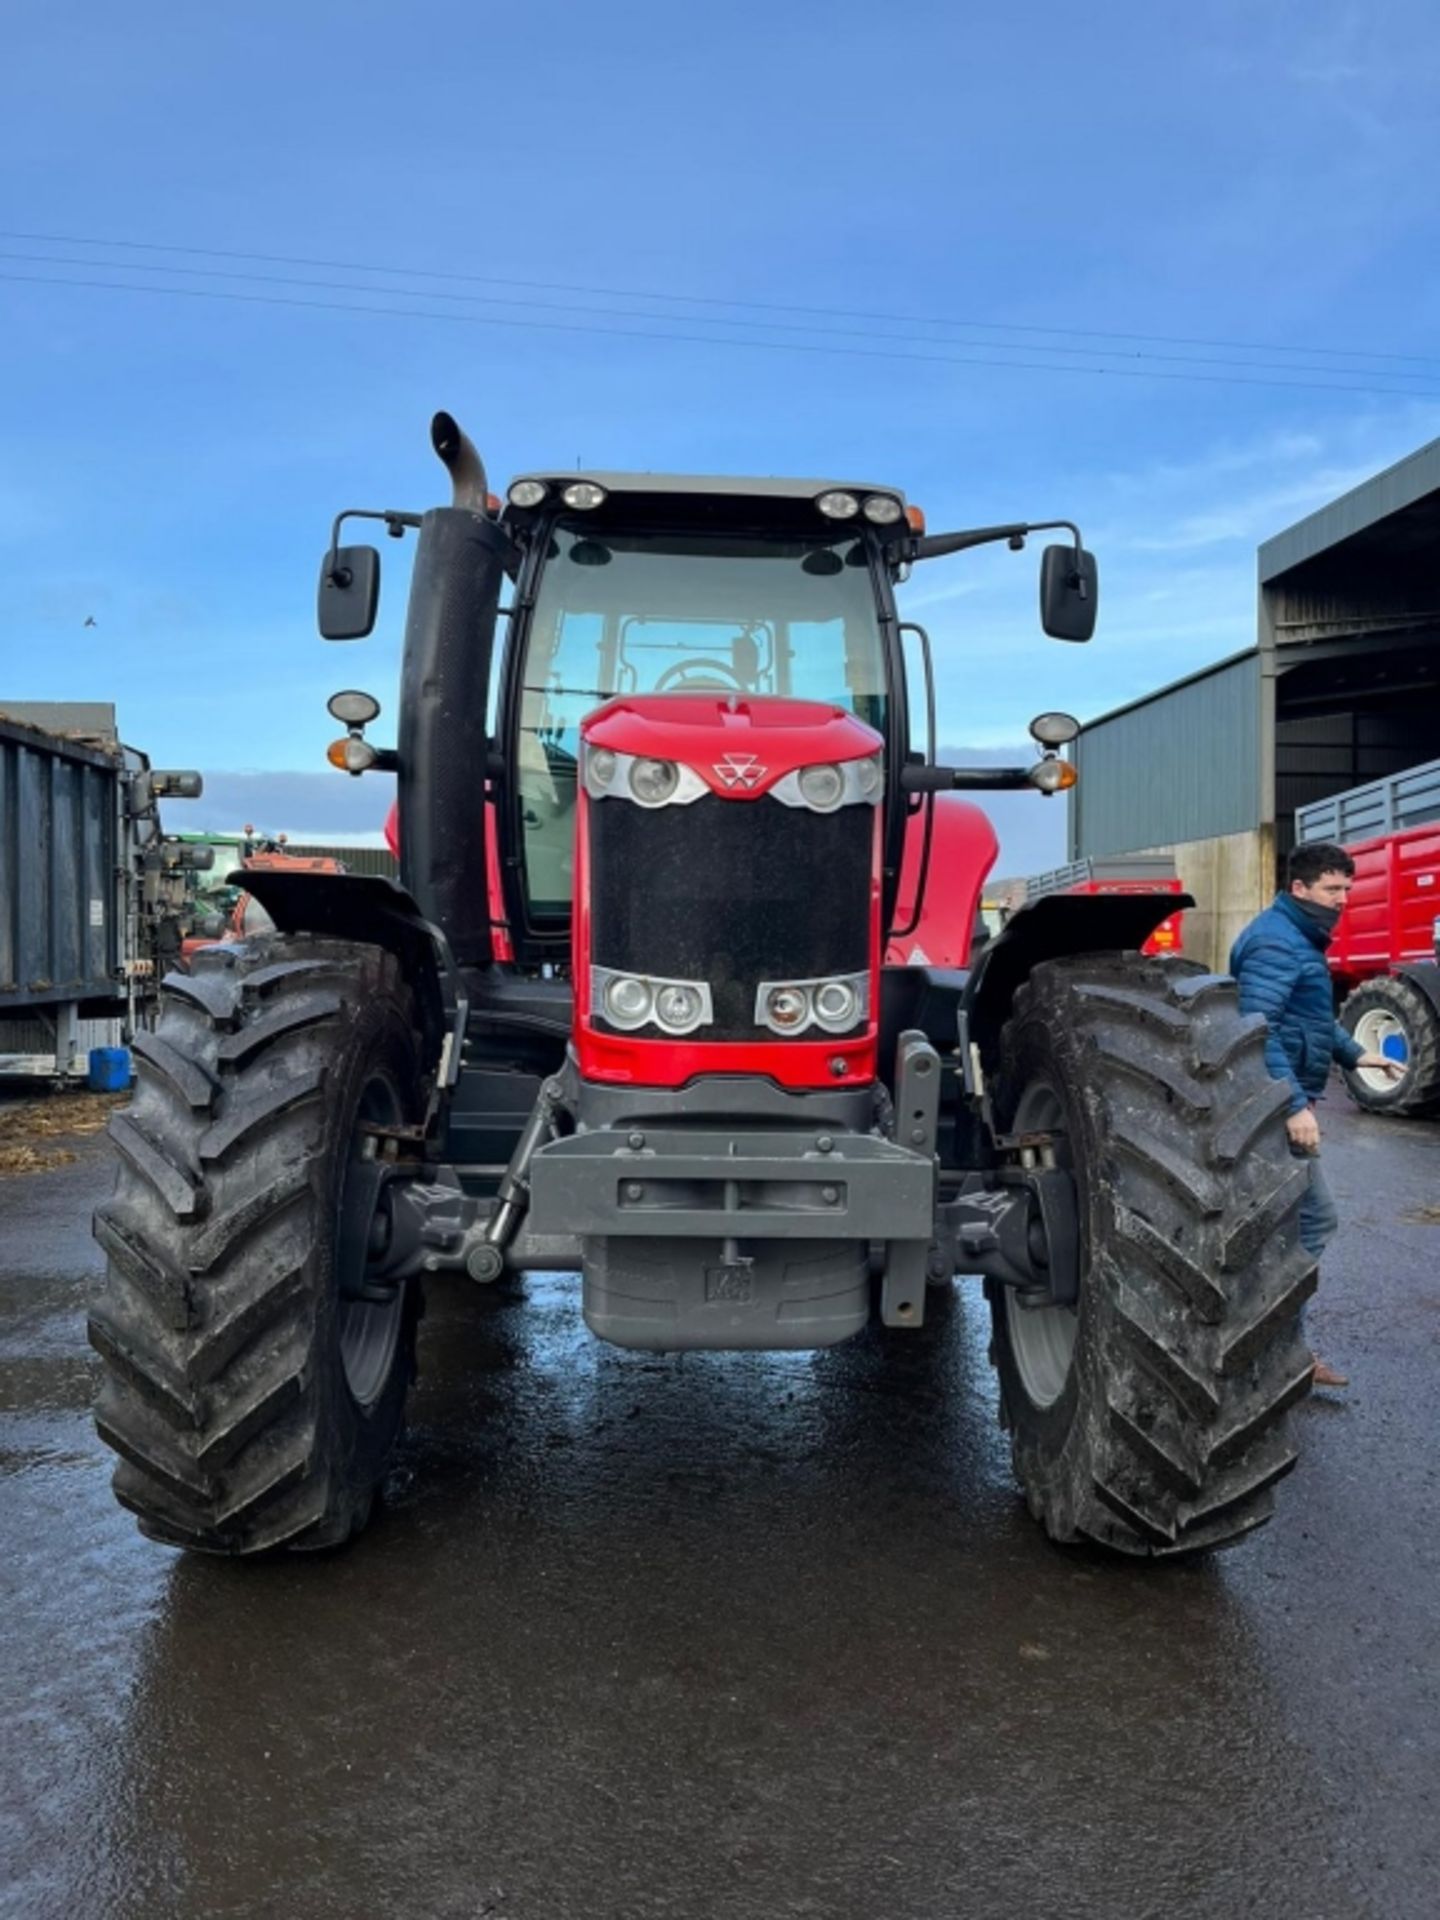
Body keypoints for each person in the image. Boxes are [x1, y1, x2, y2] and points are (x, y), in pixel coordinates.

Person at [1229, 841, 1404, 1389]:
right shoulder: (1277, 943)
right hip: (1275, 1102)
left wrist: (1354, 1052)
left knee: (1293, 1224)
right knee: (1312, 1218)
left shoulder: (1299, 937)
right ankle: (1274, 1349)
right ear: (1298, 888)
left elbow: (1305, 1016)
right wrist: (1295, 1104)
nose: (1344, 899)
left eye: (1348, 888)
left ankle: (1276, 1348)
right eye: (1333, 889)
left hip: (1283, 1095)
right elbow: (1259, 1024)